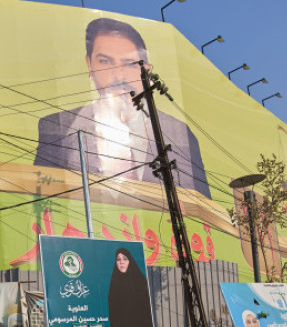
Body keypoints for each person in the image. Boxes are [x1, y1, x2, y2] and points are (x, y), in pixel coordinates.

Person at [34, 17, 210, 197]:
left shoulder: (180, 133)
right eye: (105, 62)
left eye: (130, 64)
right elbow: (41, 203)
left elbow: (204, 209)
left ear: (147, 71)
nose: (119, 75)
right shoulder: (58, 126)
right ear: (89, 65)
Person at [107, 247, 155, 327]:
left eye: (125, 259)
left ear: (130, 261)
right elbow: (113, 317)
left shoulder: (140, 282)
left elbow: (146, 313)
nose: (121, 262)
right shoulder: (113, 285)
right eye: (118, 259)